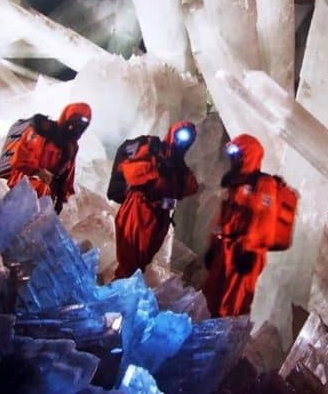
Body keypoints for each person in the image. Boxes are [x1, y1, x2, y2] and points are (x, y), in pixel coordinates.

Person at [113, 121, 199, 279]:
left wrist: (176, 170)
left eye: (188, 139)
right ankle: (118, 294)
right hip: (138, 209)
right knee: (128, 260)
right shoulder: (153, 150)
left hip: (159, 218)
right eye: (181, 136)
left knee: (141, 263)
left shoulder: (180, 167)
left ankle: (126, 292)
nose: (182, 142)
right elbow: (131, 172)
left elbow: (191, 187)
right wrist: (155, 167)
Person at [202, 134, 274, 317]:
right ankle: (207, 338)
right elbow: (222, 218)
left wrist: (249, 250)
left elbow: (264, 222)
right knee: (212, 297)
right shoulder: (234, 183)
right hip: (224, 249)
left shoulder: (264, 184)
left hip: (244, 253)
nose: (233, 159)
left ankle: (225, 343)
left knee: (233, 303)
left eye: (237, 154)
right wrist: (212, 245)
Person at [6, 102, 91, 214]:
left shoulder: (72, 147)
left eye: (81, 126)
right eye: (75, 123)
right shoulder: (40, 133)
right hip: (23, 182)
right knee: (41, 190)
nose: (76, 129)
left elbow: (67, 178)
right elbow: (19, 161)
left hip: (48, 192)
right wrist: (38, 172)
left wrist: (62, 199)